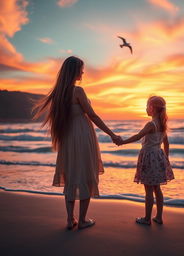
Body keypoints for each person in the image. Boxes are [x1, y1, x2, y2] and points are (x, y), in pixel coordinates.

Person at [33, 56, 120, 230]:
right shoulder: (78, 91)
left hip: (67, 138)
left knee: (72, 175)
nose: (83, 72)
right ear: (74, 71)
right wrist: (112, 134)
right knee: (87, 174)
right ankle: (82, 221)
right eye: (81, 68)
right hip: (82, 136)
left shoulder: (59, 94)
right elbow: (93, 116)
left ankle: (69, 219)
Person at [117, 96, 174, 225]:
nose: (146, 108)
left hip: (149, 157)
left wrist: (122, 142)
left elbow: (138, 136)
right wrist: (166, 159)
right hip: (159, 157)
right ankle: (158, 217)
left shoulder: (151, 124)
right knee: (157, 188)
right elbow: (167, 144)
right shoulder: (162, 124)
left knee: (148, 189)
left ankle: (147, 219)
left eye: (147, 105)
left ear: (152, 109)